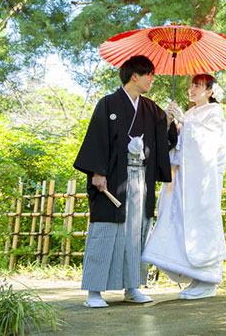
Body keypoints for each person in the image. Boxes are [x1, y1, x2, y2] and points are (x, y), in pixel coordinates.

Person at [74, 55, 177, 308]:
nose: (152, 79)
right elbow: (97, 139)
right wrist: (97, 172)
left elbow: (163, 143)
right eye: (149, 75)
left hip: (141, 178)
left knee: (137, 232)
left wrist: (170, 121)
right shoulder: (108, 104)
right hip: (113, 178)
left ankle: (132, 287)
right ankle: (94, 292)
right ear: (135, 76)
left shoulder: (153, 110)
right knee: (106, 230)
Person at [142, 73, 226, 300]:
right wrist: (172, 124)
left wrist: (186, 122)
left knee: (202, 224)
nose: (192, 89)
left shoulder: (215, 113)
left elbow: (207, 143)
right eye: (191, 85)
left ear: (210, 91)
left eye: (198, 86)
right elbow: (178, 145)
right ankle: (195, 277)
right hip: (183, 178)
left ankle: (208, 279)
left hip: (203, 181)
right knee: (180, 222)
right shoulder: (191, 113)